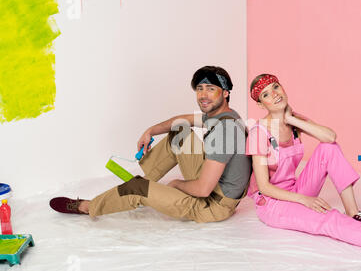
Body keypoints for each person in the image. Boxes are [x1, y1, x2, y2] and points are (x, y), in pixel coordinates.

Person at [245, 73, 361, 254]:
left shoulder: (294, 120)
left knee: (329, 148)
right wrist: (305, 200)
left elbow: (330, 137)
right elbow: (265, 187)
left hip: (294, 189)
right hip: (272, 202)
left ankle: (353, 213)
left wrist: (290, 119)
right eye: (266, 94)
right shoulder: (258, 133)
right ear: (261, 104)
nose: (275, 94)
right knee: (323, 216)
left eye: (276, 87)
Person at [50, 66, 252, 223]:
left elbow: (202, 190)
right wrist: (150, 131)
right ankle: (147, 184)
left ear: (225, 93)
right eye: (199, 89)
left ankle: (88, 206)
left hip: (211, 205)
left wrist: (175, 184)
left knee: (138, 188)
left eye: (211, 89)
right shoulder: (224, 116)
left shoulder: (226, 130)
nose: (203, 95)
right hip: (215, 188)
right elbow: (182, 120)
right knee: (179, 133)